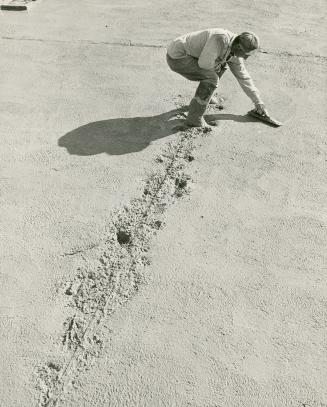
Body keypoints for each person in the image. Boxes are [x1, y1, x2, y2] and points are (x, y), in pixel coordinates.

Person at [166, 28, 269, 127]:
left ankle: (205, 97)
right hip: (178, 57)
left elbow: (244, 77)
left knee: (222, 66)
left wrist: (258, 102)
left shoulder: (234, 50)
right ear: (238, 47)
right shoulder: (220, 39)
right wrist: (218, 66)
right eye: (247, 54)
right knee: (212, 78)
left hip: (194, 55)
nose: (246, 58)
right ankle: (194, 119)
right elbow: (204, 64)